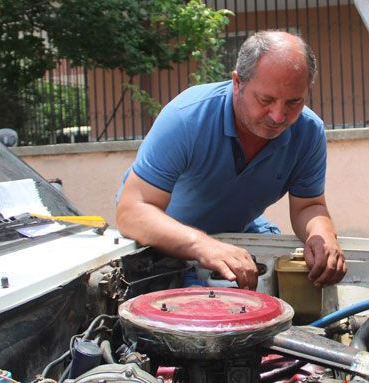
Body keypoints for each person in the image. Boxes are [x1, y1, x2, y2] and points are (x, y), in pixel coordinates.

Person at [116, 30, 346, 290]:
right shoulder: (186, 118)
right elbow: (132, 211)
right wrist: (203, 246)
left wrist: (322, 236)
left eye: (294, 102)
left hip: (238, 236)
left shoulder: (308, 132)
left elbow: (308, 206)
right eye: (266, 100)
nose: (279, 116)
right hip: (163, 247)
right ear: (238, 83)